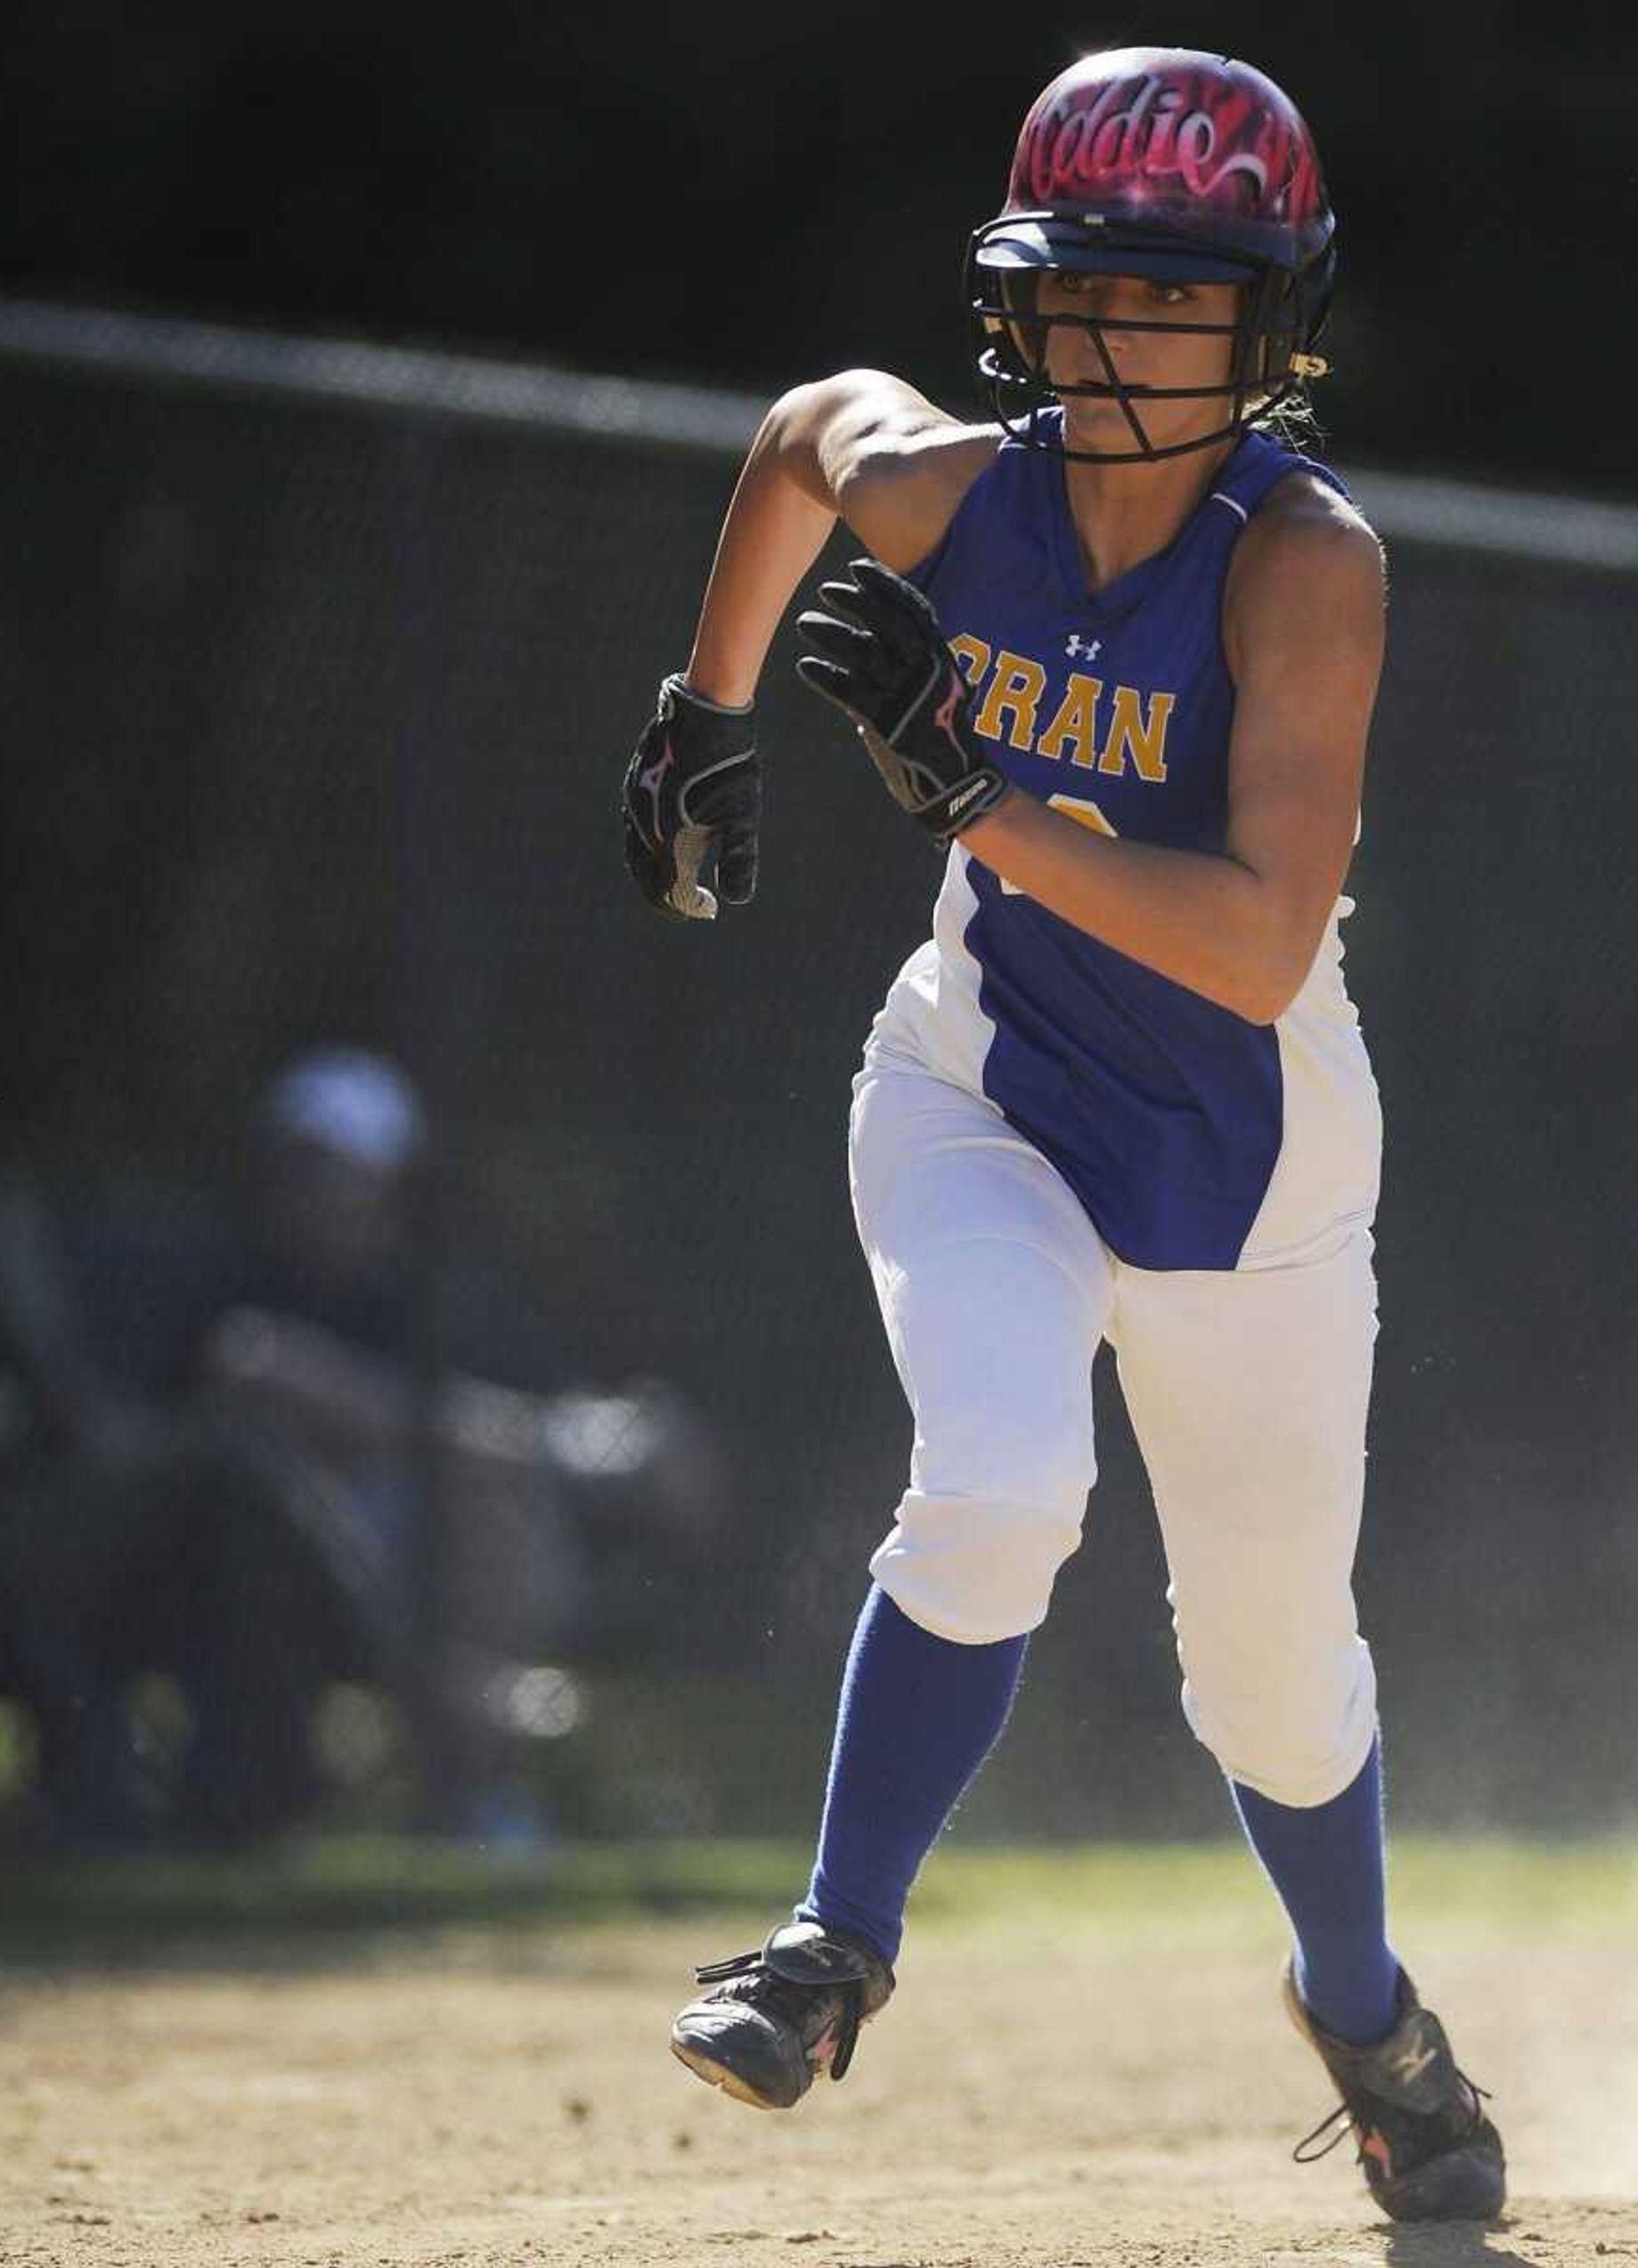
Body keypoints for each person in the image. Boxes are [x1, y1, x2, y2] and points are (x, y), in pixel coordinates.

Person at [622, 47, 1504, 2229]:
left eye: (1184, 297)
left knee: (1274, 1681)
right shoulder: (965, 489)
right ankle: (831, 1946)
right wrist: (703, 713)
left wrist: (974, 793)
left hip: (1246, 1176)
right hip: (984, 1090)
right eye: (1095, 288)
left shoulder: (1300, 563)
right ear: (1026, 305)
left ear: (1270, 325)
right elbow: (808, 426)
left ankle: (1372, 2018)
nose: (1131, 340)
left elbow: (1256, 935)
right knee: (1001, 1480)